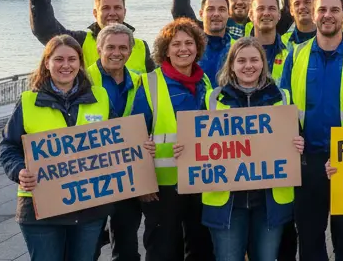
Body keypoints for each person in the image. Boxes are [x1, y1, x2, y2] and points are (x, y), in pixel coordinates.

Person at [280, 0, 343, 261]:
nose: (328, 15)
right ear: (313, 14)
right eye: (322, 10)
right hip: (307, 163)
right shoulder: (296, 55)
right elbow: (283, 105)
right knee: (310, 242)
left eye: (335, 10)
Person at [0, 35, 114, 261]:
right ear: (47, 63)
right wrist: (19, 171)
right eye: (58, 59)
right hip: (40, 210)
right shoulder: (28, 101)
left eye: (72, 59)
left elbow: (118, 140)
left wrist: (141, 146)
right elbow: (8, 146)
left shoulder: (100, 97)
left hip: (89, 209)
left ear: (80, 63)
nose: (66, 65)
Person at [189, 38, 304, 261]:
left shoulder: (282, 97)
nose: (248, 66)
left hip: (269, 203)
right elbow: (199, 142)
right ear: (231, 64)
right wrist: (186, 150)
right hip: (227, 203)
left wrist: (298, 145)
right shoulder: (213, 99)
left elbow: (295, 140)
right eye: (241, 60)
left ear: (263, 63)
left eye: (254, 59)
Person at [140, 18, 216, 261]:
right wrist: (144, 183)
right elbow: (134, 137)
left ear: (197, 47)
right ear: (166, 51)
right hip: (163, 188)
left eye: (189, 43)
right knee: (163, 251)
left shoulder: (204, 81)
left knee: (201, 247)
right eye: (176, 44)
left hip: (200, 179)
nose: (183, 49)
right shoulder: (151, 83)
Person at [88, 24, 150, 261]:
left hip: (128, 174)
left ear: (131, 50)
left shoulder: (142, 82)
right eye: (110, 47)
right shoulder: (83, 79)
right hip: (93, 175)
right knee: (87, 246)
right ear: (98, 48)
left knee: (126, 244)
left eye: (123, 47)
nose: (117, 52)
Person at [30, 0, 155, 72]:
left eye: (117, 8)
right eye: (106, 8)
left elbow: (153, 88)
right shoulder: (81, 42)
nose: (112, 13)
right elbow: (46, 30)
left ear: (124, 12)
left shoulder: (141, 46)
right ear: (95, 13)